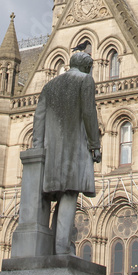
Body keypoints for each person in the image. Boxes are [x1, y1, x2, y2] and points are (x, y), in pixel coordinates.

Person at [32, 50, 102, 255]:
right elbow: (89, 113)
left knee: (61, 197)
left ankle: (57, 246)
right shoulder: (85, 81)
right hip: (74, 150)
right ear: (87, 67)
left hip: (52, 155)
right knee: (70, 194)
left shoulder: (50, 85)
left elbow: (39, 119)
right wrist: (94, 145)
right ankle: (62, 249)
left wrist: (38, 148)